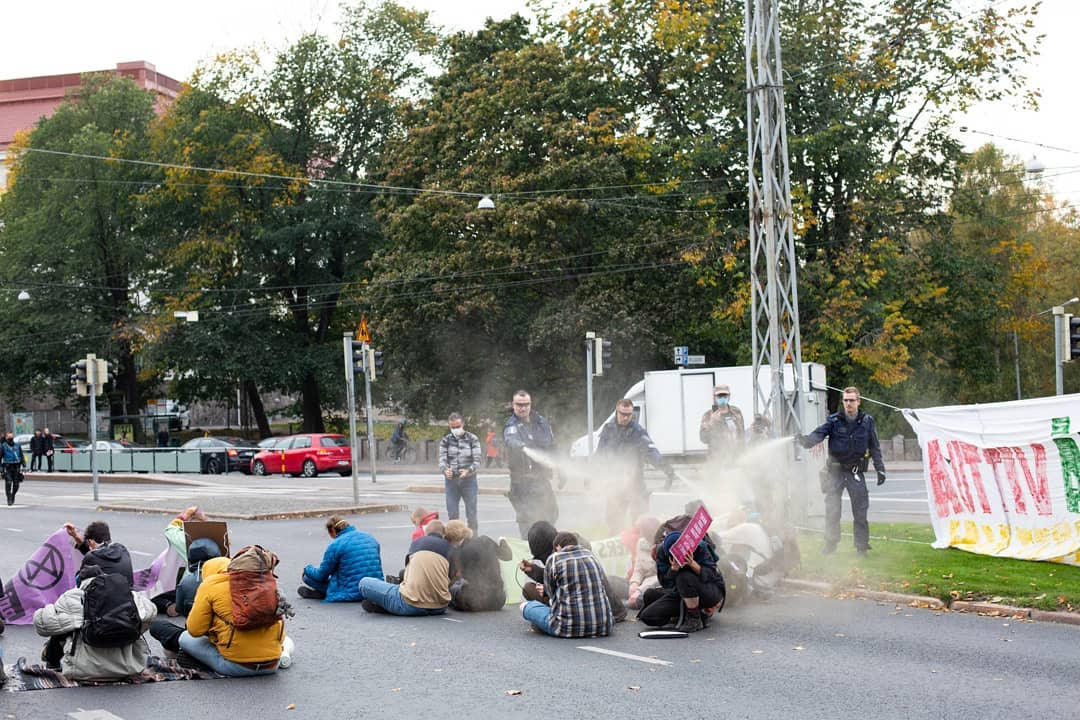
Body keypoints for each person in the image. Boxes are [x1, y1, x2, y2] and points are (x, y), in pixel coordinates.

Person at [796, 386, 885, 556]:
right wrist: (804, 440)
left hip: (855, 471)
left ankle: (861, 547)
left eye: (852, 400)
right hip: (835, 472)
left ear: (858, 401)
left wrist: (880, 468)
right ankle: (830, 544)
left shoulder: (867, 421)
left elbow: (874, 446)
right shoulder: (834, 420)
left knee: (860, 511)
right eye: (845, 400)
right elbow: (818, 435)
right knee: (832, 510)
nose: (848, 404)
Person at [33, 558, 157, 680]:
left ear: (79, 581)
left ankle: (52, 663)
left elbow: (43, 624)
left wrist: (50, 607)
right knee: (132, 620)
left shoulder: (73, 596)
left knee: (61, 628)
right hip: (129, 668)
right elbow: (151, 612)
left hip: (85, 670)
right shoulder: (127, 594)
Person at [176, 556, 283, 676]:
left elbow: (195, 630)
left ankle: (204, 662)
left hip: (235, 666)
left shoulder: (210, 585)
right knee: (285, 640)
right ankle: (285, 657)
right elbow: (281, 632)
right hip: (272, 665)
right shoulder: (263, 585)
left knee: (184, 638)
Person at [596, 399, 677, 533]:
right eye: (623, 414)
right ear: (617, 411)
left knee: (640, 522)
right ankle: (618, 547)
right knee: (614, 522)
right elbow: (600, 455)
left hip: (635, 484)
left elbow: (651, 451)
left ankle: (639, 548)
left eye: (629, 414)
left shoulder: (638, 432)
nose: (626, 417)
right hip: (615, 485)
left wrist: (664, 466)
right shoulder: (608, 429)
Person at [520, 531, 613, 638]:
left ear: (558, 547)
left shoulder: (554, 558)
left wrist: (545, 590)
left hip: (567, 628)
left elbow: (551, 594)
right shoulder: (592, 556)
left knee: (525, 607)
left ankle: (543, 625)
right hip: (604, 626)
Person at [638, 528, 725, 633]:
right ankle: (687, 614)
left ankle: (694, 618)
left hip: (709, 589)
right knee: (648, 614)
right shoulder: (662, 553)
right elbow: (665, 583)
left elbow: (712, 574)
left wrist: (693, 564)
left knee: (684, 576)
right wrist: (673, 569)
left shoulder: (700, 547)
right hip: (680, 593)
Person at [358, 522, 452, 616]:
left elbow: (408, 570)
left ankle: (386, 604)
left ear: (426, 533)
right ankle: (386, 605)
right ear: (444, 535)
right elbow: (451, 577)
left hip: (411, 604)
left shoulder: (418, 542)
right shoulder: (450, 549)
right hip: (440, 607)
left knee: (364, 583)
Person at [503, 390, 558, 537]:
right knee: (527, 522)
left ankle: (547, 549)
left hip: (542, 480)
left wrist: (560, 468)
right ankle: (529, 553)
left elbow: (552, 445)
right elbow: (510, 439)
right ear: (513, 405)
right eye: (519, 405)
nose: (523, 408)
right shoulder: (511, 426)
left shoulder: (541, 422)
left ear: (530, 404)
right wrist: (522, 446)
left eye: (526, 404)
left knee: (551, 515)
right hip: (522, 482)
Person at [297, 516, 383, 601]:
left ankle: (323, 592)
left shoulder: (336, 544)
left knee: (307, 577)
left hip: (349, 591)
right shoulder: (370, 538)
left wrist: (307, 569)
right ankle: (323, 592)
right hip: (374, 588)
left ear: (333, 531)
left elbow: (321, 576)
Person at [445, 519, 510, 612]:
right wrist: (502, 541)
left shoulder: (457, 552)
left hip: (474, 602)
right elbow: (507, 556)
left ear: (450, 538)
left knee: (453, 588)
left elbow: (451, 576)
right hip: (499, 600)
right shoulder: (485, 540)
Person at [439, 413, 482, 534]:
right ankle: (455, 541)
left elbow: (478, 460)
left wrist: (469, 470)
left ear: (463, 424)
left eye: (457, 426)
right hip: (451, 480)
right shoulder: (445, 440)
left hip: (469, 480)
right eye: (452, 427)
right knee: (452, 513)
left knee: (471, 513)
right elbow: (442, 459)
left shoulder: (472, 438)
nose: (455, 429)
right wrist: (445, 470)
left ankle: (474, 540)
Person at [699, 384, 745, 459]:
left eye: (725, 396)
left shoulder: (736, 412)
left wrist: (743, 454)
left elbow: (742, 435)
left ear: (729, 396)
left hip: (736, 457)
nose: (722, 398)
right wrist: (711, 424)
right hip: (717, 458)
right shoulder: (708, 415)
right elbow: (703, 438)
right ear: (714, 397)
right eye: (719, 396)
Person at [2, 432, 25, 506]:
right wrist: (1, 469)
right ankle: (9, 498)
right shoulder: (3, 446)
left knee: (16, 484)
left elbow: (21, 455)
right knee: (8, 483)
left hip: (16, 467)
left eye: (11, 436)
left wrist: (24, 464)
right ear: (6, 437)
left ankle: (13, 495)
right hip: (7, 467)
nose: (10, 438)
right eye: (9, 437)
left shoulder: (17, 445)